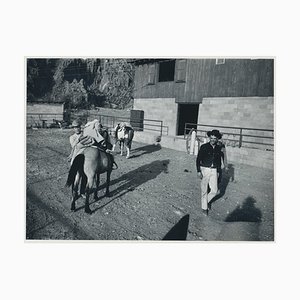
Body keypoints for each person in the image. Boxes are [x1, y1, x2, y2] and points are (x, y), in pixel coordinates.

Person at [196, 129, 225, 216]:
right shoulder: (204, 147)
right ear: (209, 138)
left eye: (214, 138)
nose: (212, 140)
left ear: (217, 139)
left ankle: (205, 202)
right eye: (211, 138)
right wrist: (198, 171)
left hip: (214, 169)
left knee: (215, 190)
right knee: (204, 189)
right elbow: (198, 159)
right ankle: (204, 208)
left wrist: (219, 172)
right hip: (205, 169)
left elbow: (219, 162)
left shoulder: (218, 148)